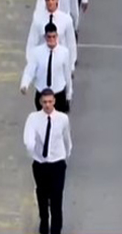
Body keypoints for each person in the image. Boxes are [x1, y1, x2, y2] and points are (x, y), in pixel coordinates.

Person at [24, 89, 71, 234]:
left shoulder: (63, 119)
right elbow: (28, 137)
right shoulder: (33, 118)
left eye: (50, 102)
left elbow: (66, 138)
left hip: (57, 162)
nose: (47, 105)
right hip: (40, 163)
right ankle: (44, 221)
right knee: (42, 195)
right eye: (44, 102)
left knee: (57, 196)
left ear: (54, 101)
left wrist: (66, 154)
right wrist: (32, 150)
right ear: (40, 102)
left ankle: (56, 227)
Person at [22, 23, 73, 112]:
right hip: (42, 93)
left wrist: (69, 94)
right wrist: (25, 84)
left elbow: (67, 74)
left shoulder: (64, 52)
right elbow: (30, 70)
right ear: (45, 37)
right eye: (49, 37)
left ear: (57, 36)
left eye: (54, 36)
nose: (52, 39)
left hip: (58, 93)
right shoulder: (36, 52)